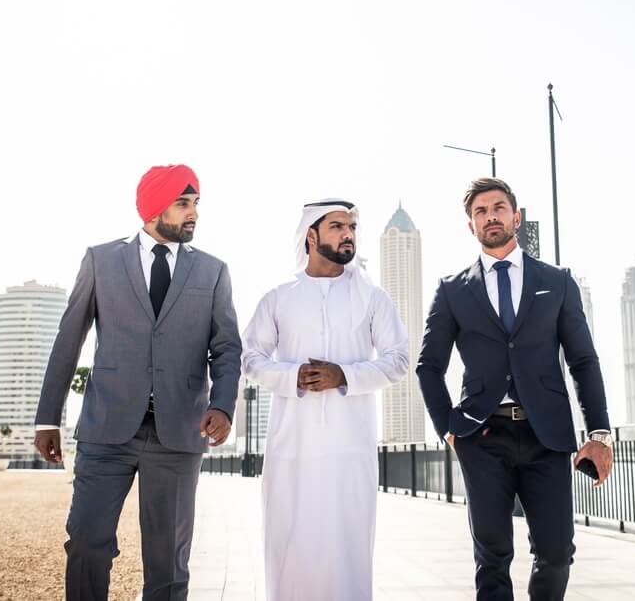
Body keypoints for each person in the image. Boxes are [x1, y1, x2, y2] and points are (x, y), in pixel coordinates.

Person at [33, 164, 242, 601]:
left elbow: (227, 347)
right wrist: (46, 419)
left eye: (196, 204)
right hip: (106, 430)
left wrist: (222, 406)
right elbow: (68, 339)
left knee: (168, 565)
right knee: (87, 543)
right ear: (153, 207)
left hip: (179, 434)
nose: (194, 214)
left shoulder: (213, 271)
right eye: (183, 204)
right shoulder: (100, 259)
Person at [417, 177, 614, 601]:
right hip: (482, 436)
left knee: (557, 552)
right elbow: (429, 366)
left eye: (498, 208)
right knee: (492, 557)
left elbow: (583, 360)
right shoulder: (452, 290)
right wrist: (448, 428)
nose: (491, 216)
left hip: (548, 437)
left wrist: (598, 433)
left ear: (516, 217)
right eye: (481, 212)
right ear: (471, 226)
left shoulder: (557, 281)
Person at [242, 199, 409, 600]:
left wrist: (343, 376)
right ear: (311, 236)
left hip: (350, 450)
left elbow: (399, 360)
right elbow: (250, 357)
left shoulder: (373, 299)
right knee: (289, 545)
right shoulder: (279, 298)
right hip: (291, 449)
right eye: (337, 227)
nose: (348, 234)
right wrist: (293, 375)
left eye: (351, 227)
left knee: (347, 550)